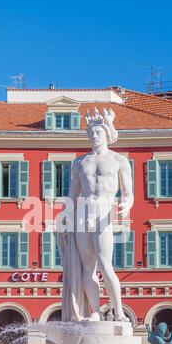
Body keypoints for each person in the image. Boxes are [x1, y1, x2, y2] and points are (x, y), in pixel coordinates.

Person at [57, 108, 134, 321]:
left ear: (107, 134)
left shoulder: (119, 160)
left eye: (98, 132)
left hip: (104, 211)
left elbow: (129, 193)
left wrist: (127, 204)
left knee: (105, 263)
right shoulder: (80, 162)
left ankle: (119, 312)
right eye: (91, 132)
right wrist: (66, 214)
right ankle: (95, 312)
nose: (94, 135)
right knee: (87, 265)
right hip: (83, 211)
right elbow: (73, 194)